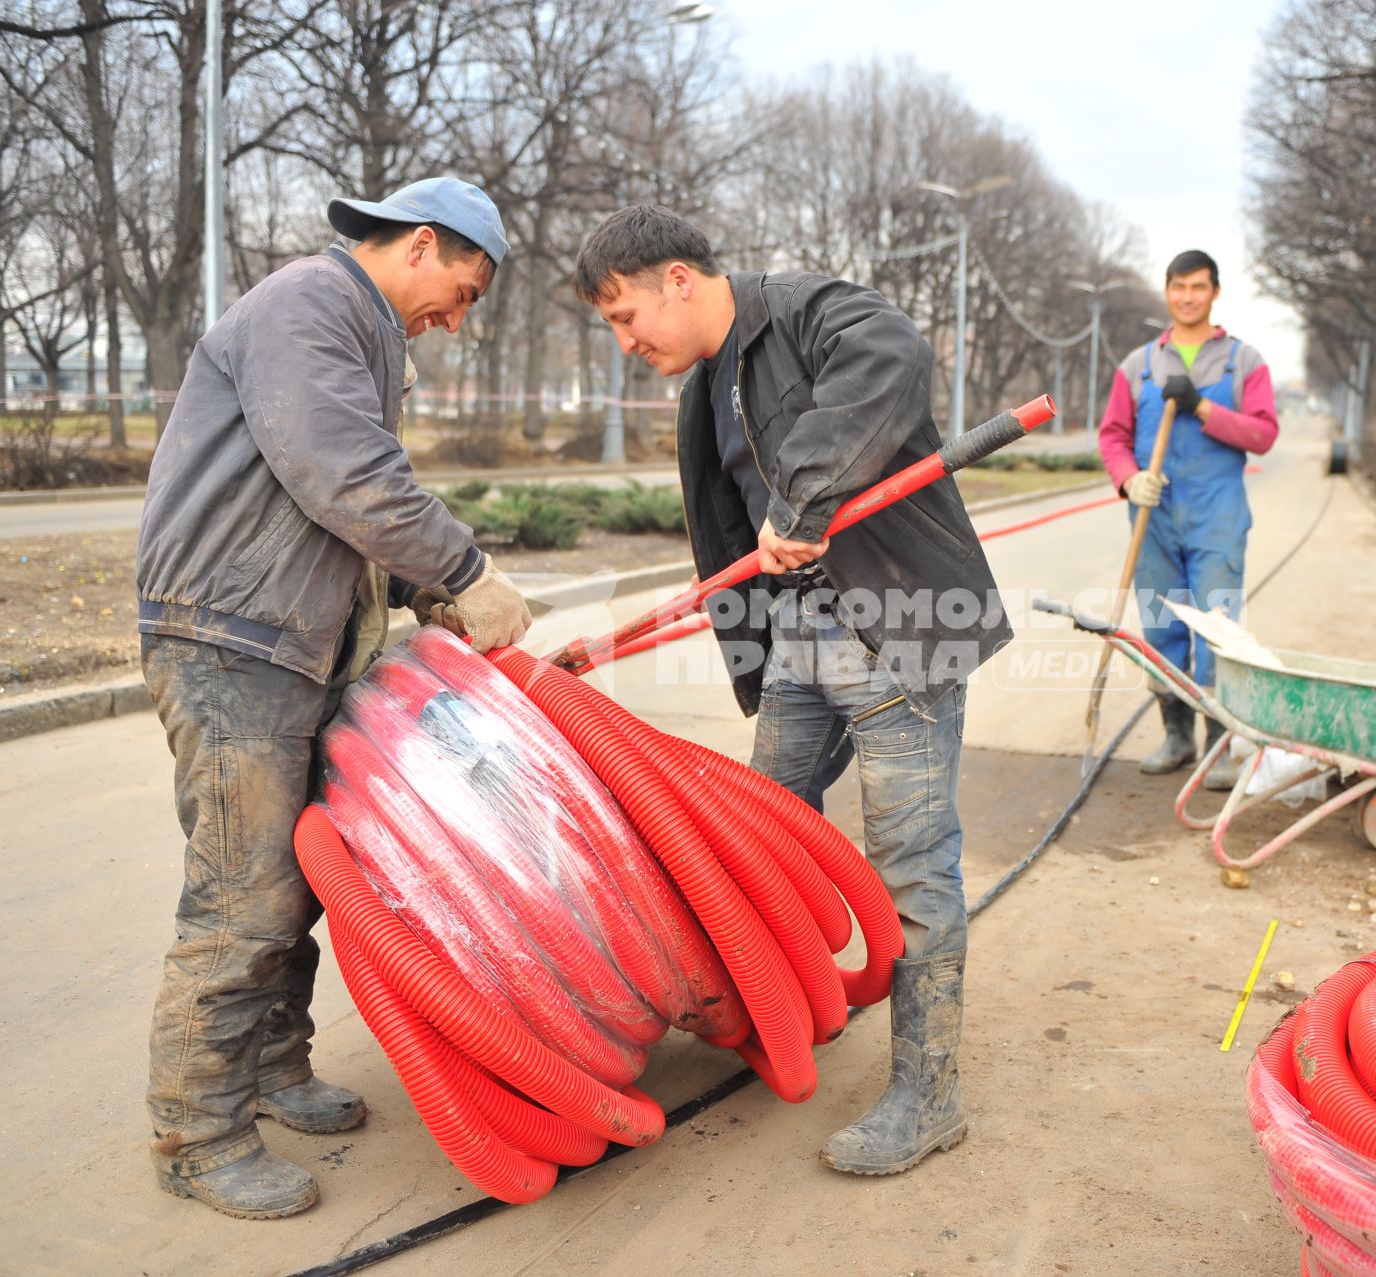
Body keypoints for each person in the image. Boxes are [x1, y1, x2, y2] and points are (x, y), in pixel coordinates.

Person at [573, 204, 1010, 1176]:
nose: (625, 339)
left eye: (624, 313)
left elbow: (893, 355)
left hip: (902, 629)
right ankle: (784, 1004)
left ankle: (930, 1094)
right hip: (804, 639)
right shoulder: (704, 391)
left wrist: (803, 496)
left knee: (912, 864)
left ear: (678, 278)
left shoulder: (810, 309)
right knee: (765, 833)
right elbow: (734, 536)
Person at [135, 177, 533, 1219]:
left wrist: (421, 592)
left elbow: (335, 507)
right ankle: (198, 1128)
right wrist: (463, 566)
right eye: (466, 285)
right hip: (234, 642)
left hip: (288, 642)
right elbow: (342, 472)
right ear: (418, 244)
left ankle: (271, 1065)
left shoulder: (357, 328)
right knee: (242, 897)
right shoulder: (311, 304)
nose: (460, 314)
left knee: (304, 875)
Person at [1097, 250, 1279, 784]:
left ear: (1215, 292)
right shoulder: (1138, 365)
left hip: (1217, 515)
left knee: (1217, 630)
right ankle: (1176, 738)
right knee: (1162, 629)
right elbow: (1112, 437)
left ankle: (1217, 746)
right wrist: (1130, 478)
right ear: (1167, 291)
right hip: (1154, 517)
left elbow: (1263, 435)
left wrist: (1201, 407)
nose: (1187, 296)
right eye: (1178, 286)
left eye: (1198, 286)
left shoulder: (1244, 362)